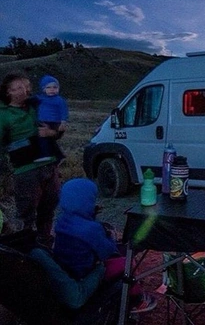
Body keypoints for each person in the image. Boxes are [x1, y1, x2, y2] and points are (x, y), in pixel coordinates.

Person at [53, 178, 157, 315]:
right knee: (126, 263)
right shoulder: (91, 229)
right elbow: (108, 252)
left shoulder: (62, 221)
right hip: (86, 274)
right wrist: (110, 236)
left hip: (68, 271)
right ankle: (136, 300)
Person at [0, 72, 61, 246]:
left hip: (49, 165)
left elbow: (55, 131)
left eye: (26, 86)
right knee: (26, 216)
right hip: (26, 170)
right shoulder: (3, 114)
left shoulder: (37, 105)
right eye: (18, 88)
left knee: (47, 212)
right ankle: (24, 251)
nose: (25, 90)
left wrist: (53, 132)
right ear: (8, 92)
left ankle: (45, 246)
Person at [34, 74, 68, 162]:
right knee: (44, 138)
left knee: (46, 137)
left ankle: (46, 154)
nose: (52, 89)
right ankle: (58, 156)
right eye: (48, 87)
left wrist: (63, 122)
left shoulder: (59, 100)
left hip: (55, 123)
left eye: (55, 87)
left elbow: (64, 111)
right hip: (42, 121)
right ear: (43, 89)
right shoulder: (40, 98)